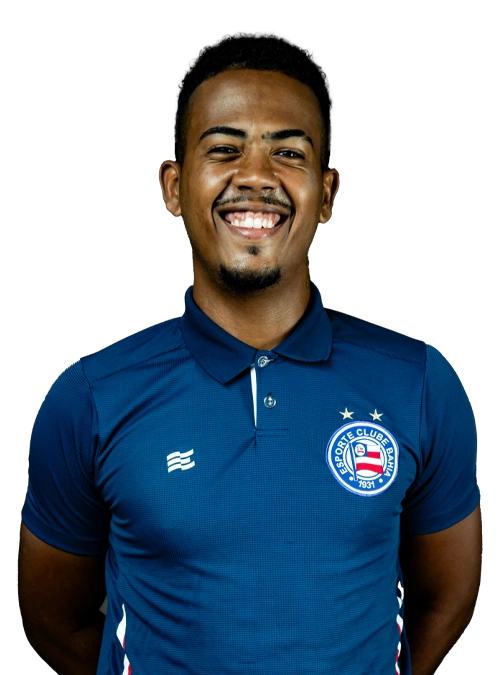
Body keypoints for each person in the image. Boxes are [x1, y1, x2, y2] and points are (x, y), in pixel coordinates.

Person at [18, 33, 481, 675]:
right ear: (173, 187)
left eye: (288, 152)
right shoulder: (90, 398)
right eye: (224, 149)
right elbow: (52, 616)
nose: (257, 176)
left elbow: (448, 596)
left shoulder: (420, 384)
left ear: (327, 194)